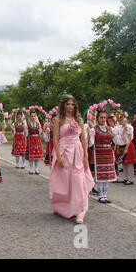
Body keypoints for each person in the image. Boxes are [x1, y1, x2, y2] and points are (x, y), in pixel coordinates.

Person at [49, 95, 94, 224]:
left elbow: (83, 139)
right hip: (64, 152)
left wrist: (85, 156)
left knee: (79, 181)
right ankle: (62, 207)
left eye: (72, 104)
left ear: (75, 106)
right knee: (64, 182)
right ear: (63, 105)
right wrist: (59, 156)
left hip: (77, 152)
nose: (70, 107)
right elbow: (55, 139)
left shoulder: (79, 119)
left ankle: (80, 211)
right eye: (68, 104)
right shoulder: (58, 119)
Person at [88, 110, 117, 203]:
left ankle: (105, 194)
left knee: (107, 175)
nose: (103, 119)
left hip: (108, 153)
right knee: (100, 175)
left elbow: (116, 141)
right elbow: (91, 143)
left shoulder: (110, 129)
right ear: (97, 118)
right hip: (99, 153)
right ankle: (100, 195)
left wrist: (125, 136)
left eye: (104, 117)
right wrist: (88, 134)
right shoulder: (94, 129)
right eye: (101, 117)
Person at [114, 116, 136, 185]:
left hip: (128, 145)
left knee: (129, 163)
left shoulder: (129, 127)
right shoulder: (120, 127)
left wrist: (126, 149)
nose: (121, 122)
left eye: (123, 120)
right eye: (120, 120)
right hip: (121, 145)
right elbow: (118, 138)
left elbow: (129, 138)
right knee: (124, 163)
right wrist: (118, 148)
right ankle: (125, 178)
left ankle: (130, 179)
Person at [26, 109, 44, 175]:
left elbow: (41, 132)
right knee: (31, 154)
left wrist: (44, 129)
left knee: (37, 154)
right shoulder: (27, 124)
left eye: (34, 116)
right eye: (31, 116)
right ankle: (31, 168)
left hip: (37, 139)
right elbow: (26, 133)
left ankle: (36, 168)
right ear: (30, 117)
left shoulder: (38, 124)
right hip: (31, 139)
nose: (33, 117)